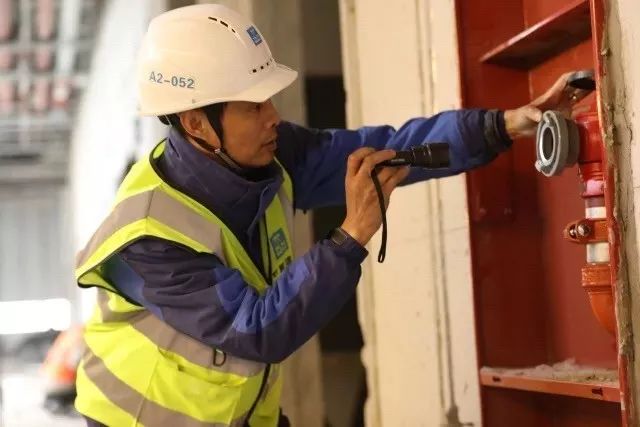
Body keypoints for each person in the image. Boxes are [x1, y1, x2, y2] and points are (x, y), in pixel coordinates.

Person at [74, 4, 588, 427]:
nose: (274, 117)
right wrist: (350, 236)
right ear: (196, 123)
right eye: (253, 106)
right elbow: (256, 329)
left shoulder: (269, 155)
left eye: (269, 99)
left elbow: (382, 150)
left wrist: (502, 125)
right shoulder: (148, 241)